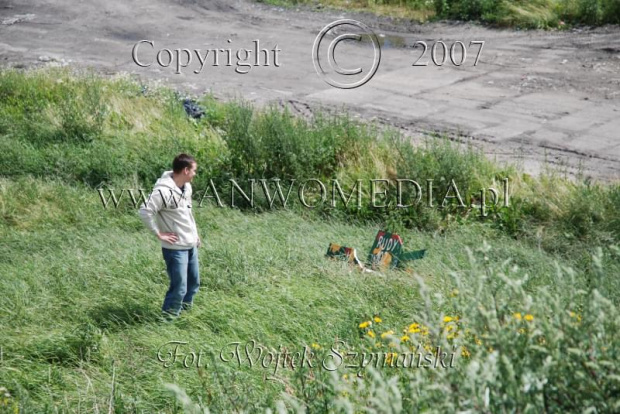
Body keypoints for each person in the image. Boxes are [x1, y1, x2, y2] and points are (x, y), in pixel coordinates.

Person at [139, 153, 201, 319]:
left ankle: (185, 315)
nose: (195, 174)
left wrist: (195, 235)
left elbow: (188, 214)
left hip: (190, 245)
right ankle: (168, 319)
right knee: (179, 287)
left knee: (193, 283)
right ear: (186, 170)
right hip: (175, 249)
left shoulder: (186, 188)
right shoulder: (162, 191)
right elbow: (145, 211)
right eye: (194, 170)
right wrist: (158, 234)